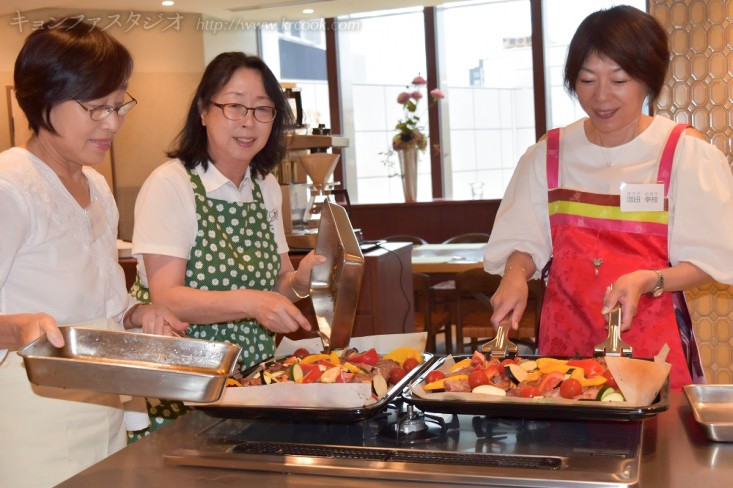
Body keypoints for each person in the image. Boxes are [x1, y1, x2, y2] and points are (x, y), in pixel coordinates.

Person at [484, 5, 733, 390]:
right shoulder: (549, 154)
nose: (601, 97)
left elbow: (711, 257)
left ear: (648, 80)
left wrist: (650, 278)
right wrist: (515, 275)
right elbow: (525, 242)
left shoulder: (682, 152)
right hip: (562, 351)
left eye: (619, 80)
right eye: (586, 80)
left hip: (653, 352)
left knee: (656, 448)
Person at [0, 19, 187, 487]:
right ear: (44, 100)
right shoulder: (10, 186)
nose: (114, 123)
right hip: (32, 418)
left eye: (119, 105)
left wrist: (139, 313)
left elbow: (104, 303)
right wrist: (15, 327)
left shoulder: (97, 187)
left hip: (102, 407)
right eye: (96, 108)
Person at [129, 52, 323, 437]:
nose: (248, 122)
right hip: (183, 384)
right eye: (234, 106)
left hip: (249, 383)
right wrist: (252, 302)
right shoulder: (172, 184)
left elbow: (278, 283)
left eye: (263, 109)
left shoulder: (265, 186)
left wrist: (301, 279)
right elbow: (166, 298)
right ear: (203, 110)